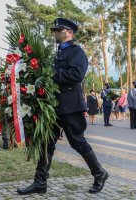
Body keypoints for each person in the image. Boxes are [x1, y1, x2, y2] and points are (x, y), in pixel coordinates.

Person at [17, 18, 108, 195]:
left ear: (68, 32)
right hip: (54, 106)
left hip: (70, 106)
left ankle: (100, 173)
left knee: (77, 142)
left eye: (58, 30)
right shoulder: (57, 54)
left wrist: (51, 73)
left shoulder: (77, 52)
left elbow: (77, 74)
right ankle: (40, 182)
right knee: (46, 143)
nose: (55, 33)